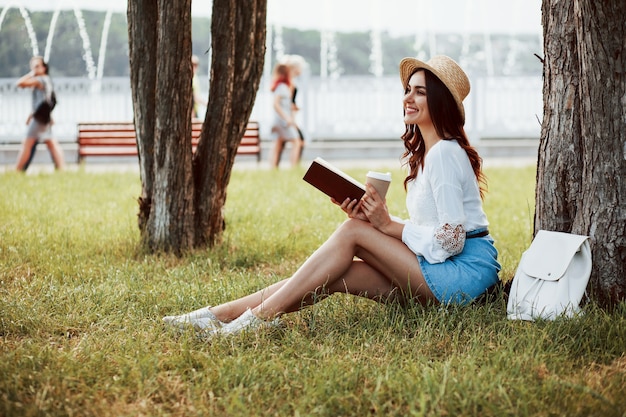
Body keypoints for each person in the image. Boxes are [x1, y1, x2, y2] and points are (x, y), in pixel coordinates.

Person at [163, 55, 501, 338]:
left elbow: (453, 239)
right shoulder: (429, 155)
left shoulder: (444, 153)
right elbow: (433, 230)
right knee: (335, 274)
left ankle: (249, 325)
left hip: (462, 276)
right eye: (407, 90)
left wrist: (386, 226)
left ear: (439, 101)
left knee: (353, 233)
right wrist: (378, 221)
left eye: (420, 92)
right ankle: (213, 316)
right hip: (441, 270)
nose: (408, 98)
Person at [15, 56, 65, 171]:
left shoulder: (40, 80)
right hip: (43, 118)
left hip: (39, 120)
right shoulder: (47, 79)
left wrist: (31, 74)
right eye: (32, 67)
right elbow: (43, 101)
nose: (35, 69)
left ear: (44, 68)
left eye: (37, 66)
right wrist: (31, 115)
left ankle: (17, 170)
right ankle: (62, 169)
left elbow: (20, 83)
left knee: (27, 143)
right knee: (52, 143)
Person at [268, 62, 302, 168]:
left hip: (280, 120)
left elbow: (283, 104)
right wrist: (287, 117)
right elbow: (276, 104)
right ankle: (293, 166)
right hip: (283, 121)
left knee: (277, 143)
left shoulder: (282, 87)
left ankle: (273, 167)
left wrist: (292, 108)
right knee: (296, 142)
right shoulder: (282, 87)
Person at [280, 54, 307, 164]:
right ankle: (294, 164)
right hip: (287, 118)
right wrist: (290, 118)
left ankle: (292, 164)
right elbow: (286, 102)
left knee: (281, 143)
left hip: (288, 117)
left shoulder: (290, 82)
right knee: (298, 141)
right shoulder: (288, 83)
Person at [191, 55, 207, 120]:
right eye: (193, 65)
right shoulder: (192, 79)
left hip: (195, 110)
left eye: (196, 65)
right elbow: (195, 97)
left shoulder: (195, 78)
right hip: (192, 111)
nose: (195, 67)